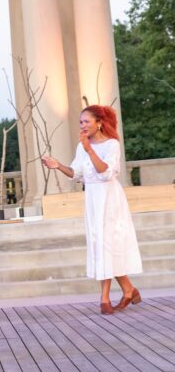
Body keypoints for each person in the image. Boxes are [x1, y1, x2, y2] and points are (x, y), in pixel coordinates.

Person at [42, 105, 143, 315]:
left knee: (107, 244)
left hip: (109, 199)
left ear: (99, 122)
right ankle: (129, 290)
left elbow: (104, 172)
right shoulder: (82, 147)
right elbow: (76, 173)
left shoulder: (112, 145)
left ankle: (105, 298)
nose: (83, 125)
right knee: (100, 246)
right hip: (93, 199)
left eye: (86, 121)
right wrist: (57, 165)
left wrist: (89, 149)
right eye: (80, 122)